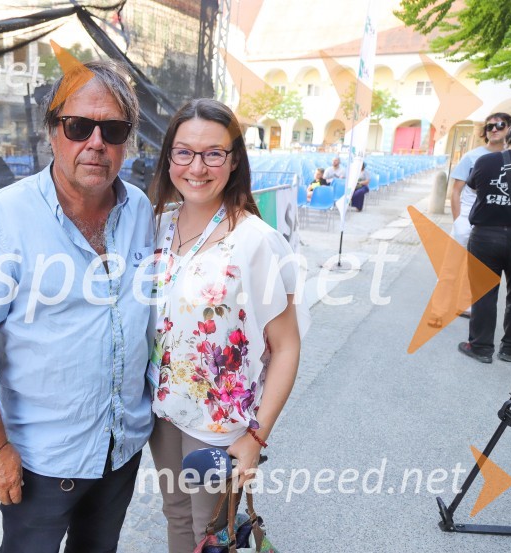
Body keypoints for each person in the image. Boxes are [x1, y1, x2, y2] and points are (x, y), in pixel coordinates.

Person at [0, 60, 155, 552]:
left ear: (128, 140)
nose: (96, 143)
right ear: (52, 132)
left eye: (114, 129)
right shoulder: (3, 218)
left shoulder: (141, 210)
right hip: (42, 459)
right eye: (79, 126)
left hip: (120, 447)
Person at [147, 98, 308, 553]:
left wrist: (257, 436)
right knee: (176, 515)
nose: (197, 166)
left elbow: (287, 346)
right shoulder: (157, 224)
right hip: (162, 409)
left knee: (211, 531)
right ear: (169, 157)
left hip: (219, 423)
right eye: (184, 152)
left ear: (233, 160)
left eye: (213, 153)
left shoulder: (257, 241)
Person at [429, 112, 511, 327]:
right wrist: (459, 220)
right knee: (451, 266)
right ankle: (438, 310)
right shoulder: (472, 156)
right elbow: (456, 191)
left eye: (500, 125)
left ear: (510, 129)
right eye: (489, 127)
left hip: (491, 222)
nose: (494, 129)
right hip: (468, 216)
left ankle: (466, 304)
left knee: (477, 266)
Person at [458, 117, 511, 364]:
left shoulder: (486, 161)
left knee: (484, 292)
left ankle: (480, 347)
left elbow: (474, 190)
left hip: (486, 235)